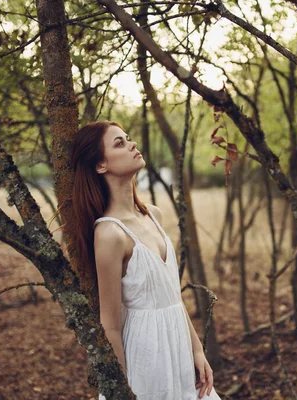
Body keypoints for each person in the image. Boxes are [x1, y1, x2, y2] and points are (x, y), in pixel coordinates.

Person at [71, 120, 221, 399]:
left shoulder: (154, 214)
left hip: (180, 351)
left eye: (128, 138)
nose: (132, 144)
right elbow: (111, 325)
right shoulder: (109, 234)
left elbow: (171, 295)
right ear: (100, 165)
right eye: (119, 143)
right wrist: (122, 389)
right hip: (147, 359)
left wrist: (197, 350)